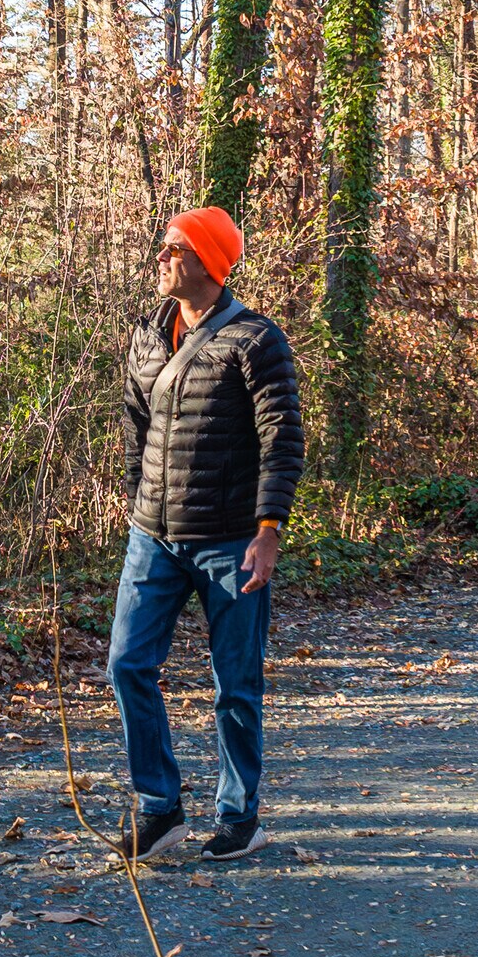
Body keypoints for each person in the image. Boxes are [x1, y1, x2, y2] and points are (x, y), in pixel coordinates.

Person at [107, 206, 305, 862]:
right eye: (163, 246)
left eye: (174, 248)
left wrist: (269, 530)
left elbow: (283, 439)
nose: (161, 257)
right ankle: (159, 809)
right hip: (152, 538)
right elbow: (138, 426)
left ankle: (237, 814)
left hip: (230, 542)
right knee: (127, 664)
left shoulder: (255, 340)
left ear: (208, 262)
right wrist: (139, 498)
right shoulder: (146, 333)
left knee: (235, 684)